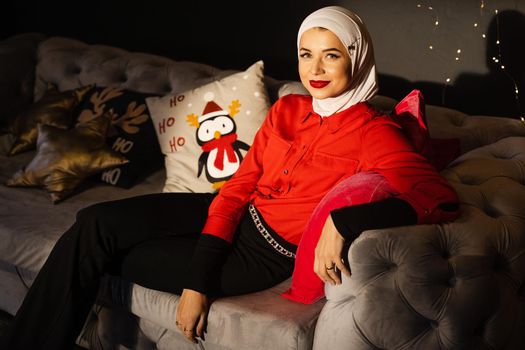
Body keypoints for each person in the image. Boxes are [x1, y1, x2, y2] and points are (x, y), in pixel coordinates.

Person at [1, 6, 459, 349]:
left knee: (102, 250)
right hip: (231, 211)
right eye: (305, 55)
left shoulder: (373, 132)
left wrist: (343, 223)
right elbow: (240, 185)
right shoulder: (289, 107)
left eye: (331, 56)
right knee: (94, 223)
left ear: (356, 60)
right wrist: (198, 279)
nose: (314, 70)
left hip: (260, 256)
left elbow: (436, 197)